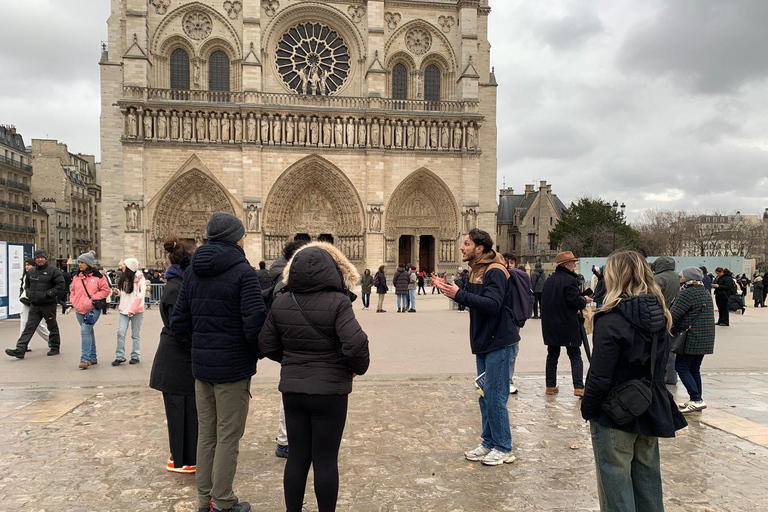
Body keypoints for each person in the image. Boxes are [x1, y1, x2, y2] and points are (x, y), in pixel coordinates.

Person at [259, 242, 370, 512]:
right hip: (330, 393)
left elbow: (265, 344)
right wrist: (354, 367)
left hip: (294, 391)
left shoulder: (282, 300)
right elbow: (355, 345)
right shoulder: (339, 302)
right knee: (325, 460)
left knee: (296, 457)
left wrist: (291, 361)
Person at [171, 212, 266, 512]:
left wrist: (198, 349)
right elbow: (255, 325)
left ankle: (204, 501)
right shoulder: (244, 273)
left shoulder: (193, 273)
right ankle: (223, 502)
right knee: (228, 436)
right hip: (232, 370)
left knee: (207, 434)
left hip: (202, 369)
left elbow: (178, 324)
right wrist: (252, 353)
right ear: (236, 238)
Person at [581, 251, 687, 512]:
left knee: (615, 486)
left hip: (616, 410)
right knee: (648, 482)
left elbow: (600, 375)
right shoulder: (661, 315)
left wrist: (588, 408)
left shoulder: (612, 319)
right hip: (650, 404)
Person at [432, 229, 519, 466]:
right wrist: (449, 290)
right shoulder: (476, 270)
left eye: (467, 243)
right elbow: (470, 297)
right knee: (484, 395)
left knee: (495, 397)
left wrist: (459, 294)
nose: (462, 247)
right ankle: (489, 442)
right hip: (484, 341)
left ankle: (504, 447)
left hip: (499, 341)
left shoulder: (496, 271)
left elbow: (492, 304)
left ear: (479, 248)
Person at [150, 239, 198, 474]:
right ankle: (181, 460)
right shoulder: (176, 288)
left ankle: (187, 456)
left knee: (188, 409)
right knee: (180, 411)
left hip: (179, 358)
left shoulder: (177, 283)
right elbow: (179, 327)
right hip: (175, 359)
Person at [265, 240, 307, 459]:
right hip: (297, 347)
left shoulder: (277, 276)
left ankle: (287, 440)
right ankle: (286, 441)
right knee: (294, 395)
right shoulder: (287, 282)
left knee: (291, 393)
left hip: (287, 347)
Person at [541, 251, 593, 396]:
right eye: (573, 263)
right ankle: (578, 387)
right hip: (567, 323)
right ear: (566, 264)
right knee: (575, 355)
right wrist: (584, 300)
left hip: (550, 324)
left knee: (552, 355)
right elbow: (574, 301)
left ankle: (550, 385)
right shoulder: (570, 280)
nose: (575, 265)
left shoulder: (549, 280)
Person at [670, 267, 716, 413]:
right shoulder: (704, 291)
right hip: (704, 337)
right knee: (694, 368)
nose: (680, 277)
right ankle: (696, 399)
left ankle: (696, 399)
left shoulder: (687, 293)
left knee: (682, 367)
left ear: (687, 278)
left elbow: (673, 315)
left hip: (691, 337)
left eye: (681, 275)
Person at [6, 250, 64, 359]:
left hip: (48, 304)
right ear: (35, 259)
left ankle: (55, 347)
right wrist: (29, 294)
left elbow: (60, 286)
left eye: (42, 258)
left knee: (52, 326)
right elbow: (26, 285)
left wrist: (49, 294)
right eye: (37, 258)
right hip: (35, 305)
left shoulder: (53, 271)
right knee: (29, 327)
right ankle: (20, 349)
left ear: (45, 258)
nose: (40, 260)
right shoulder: (31, 272)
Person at [69, 251, 111, 369]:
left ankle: (84, 359)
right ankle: (93, 357)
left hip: (92, 309)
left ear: (88, 263)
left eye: (82, 262)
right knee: (88, 332)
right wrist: (73, 300)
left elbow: (106, 290)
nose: (80, 264)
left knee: (85, 331)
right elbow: (72, 290)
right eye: (79, 262)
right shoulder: (76, 277)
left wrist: (93, 298)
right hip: (79, 308)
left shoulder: (99, 277)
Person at [112, 258, 146, 365]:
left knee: (135, 334)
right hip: (124, 310)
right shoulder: (123, 279)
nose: (122, 266)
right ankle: (120, 356)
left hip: (136, 311)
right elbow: (124, 294)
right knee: (120, 333)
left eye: (124, 265)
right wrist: (117, 293)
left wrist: (133, 309)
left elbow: (140, 297)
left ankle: (135, 355)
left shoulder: (140, 279)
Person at [652, 257, 680, 385]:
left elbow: (652, 296)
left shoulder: (659, 279)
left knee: (658, 348)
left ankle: (659, 375)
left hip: (660, 313)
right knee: (670, 348)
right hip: (672, 313)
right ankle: (671, 376)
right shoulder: (676, 276)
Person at [18, 258, 51, 351]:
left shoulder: (37, 275)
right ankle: (23, 345)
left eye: (28, 265)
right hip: (25, 301)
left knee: (37, 324)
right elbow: (23, 288)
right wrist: (22, 296)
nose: (26, 267)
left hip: (35, 302)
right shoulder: (25, 276)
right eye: (25, 265)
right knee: (24, 322)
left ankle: (51, 339)